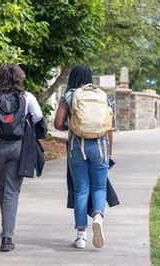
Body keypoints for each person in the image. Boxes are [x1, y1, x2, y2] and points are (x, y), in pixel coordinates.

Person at [0, 63, 44, 251]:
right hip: (18, 146)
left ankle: (5, 225)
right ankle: (7, 237)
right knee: (12, 191)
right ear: (19, 77)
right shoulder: (27, 97)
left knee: (2, 185)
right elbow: (38, 116)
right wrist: (21, 123)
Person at [54, 65, 113, 249]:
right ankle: (97, 216)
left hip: (77, 146)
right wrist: (109, 151)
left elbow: (57, 124)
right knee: (99, 187)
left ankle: (81, 236)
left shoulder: (70, 95)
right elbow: (108, 126)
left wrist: (71, 127)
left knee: (81, 189)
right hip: (100, 145)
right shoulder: (101, 95)